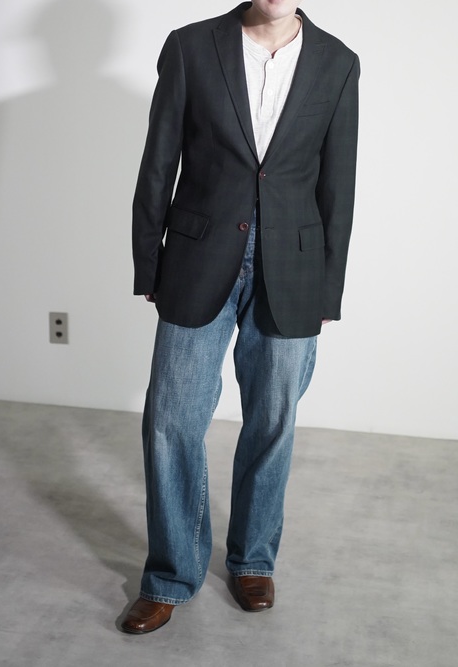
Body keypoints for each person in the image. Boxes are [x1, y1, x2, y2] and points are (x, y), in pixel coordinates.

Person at [121, 0, 359, 634]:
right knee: (171, 420)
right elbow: (158, 161)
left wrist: (327, 290)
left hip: (294, 266)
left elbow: (338, 184)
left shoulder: (338, 62)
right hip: (197, 258)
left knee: (273, 422)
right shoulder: (190, 46)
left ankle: (253, 560)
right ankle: (170, 575)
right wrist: (149, 264)